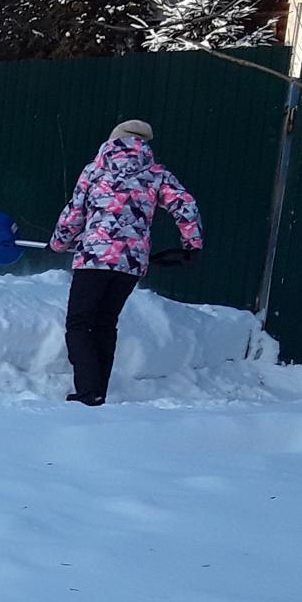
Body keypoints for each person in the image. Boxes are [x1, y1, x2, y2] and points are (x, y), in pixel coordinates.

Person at [48, 118, 203, 406]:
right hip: (129, 264)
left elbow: (75, 212)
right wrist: (191, 245)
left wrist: (58, 242)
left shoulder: (95, 170)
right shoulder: (156, 174)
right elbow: (186, 205)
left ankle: (87, 391)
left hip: (93, 258)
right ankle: (97, 391)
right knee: (106, 323)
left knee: (80, 323)